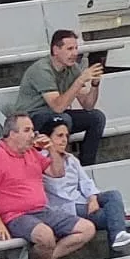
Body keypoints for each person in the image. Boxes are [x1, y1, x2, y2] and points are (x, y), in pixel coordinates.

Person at [0, 113, 96, 259]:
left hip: (42, 210)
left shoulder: (31, 152)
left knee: (87, 228)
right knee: (46, 236)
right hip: (15, 216)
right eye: (27, 130)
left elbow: (57, 173)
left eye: (32, 130)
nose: (32, 134)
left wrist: (52, 149)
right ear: (12, 134)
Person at [42, 118, 130, 256]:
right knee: (113, 218)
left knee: (113, 195)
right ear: (48, 138)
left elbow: (86, 182)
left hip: (82, 201)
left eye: (66, 136)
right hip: (65, 207)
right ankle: (118, 239)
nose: (64, 140)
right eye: (59, 136)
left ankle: (119, 236)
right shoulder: (40, 159)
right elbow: (56, 174)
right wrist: (49, 149)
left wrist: (92, 199)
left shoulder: (71, 159)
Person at [18, 29, 108, 168]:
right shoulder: (42, 70)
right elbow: (57, 107)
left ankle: (85, 166)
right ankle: (59, 166)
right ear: (56, 50)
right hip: (32, 117)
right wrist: (79, 81)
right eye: (70, 49)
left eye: (76, 48)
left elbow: (88, 105)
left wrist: (95, 84)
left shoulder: (73, 68)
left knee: (97, 117)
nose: (74, 53)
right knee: (63, 119)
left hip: (56, 115)